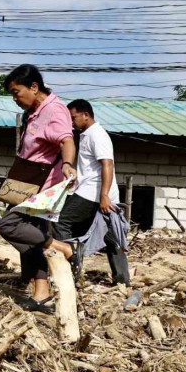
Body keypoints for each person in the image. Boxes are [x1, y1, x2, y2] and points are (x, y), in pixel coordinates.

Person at [0, 64, 79, 313]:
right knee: (33, 238)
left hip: (43, 186)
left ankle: (66, 247)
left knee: (8, 225)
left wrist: (67, 164)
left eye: (16, 92)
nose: (14, 98)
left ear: (34, 87)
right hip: (27, 182)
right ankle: (41, 294)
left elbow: (66, 140)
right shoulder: (33, 111)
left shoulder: (54, 110)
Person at [54, 99, 130, 285]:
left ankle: (70, 265)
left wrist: (103, 195)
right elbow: (91, 167)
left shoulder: (98, 135)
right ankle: (122, 281)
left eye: (73, 118)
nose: (71, 122)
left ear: (86, 115)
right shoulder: (86, 134)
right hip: (92, 191)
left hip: (95, 193)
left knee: (62, 222)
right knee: (111, 236)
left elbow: (107, 164)